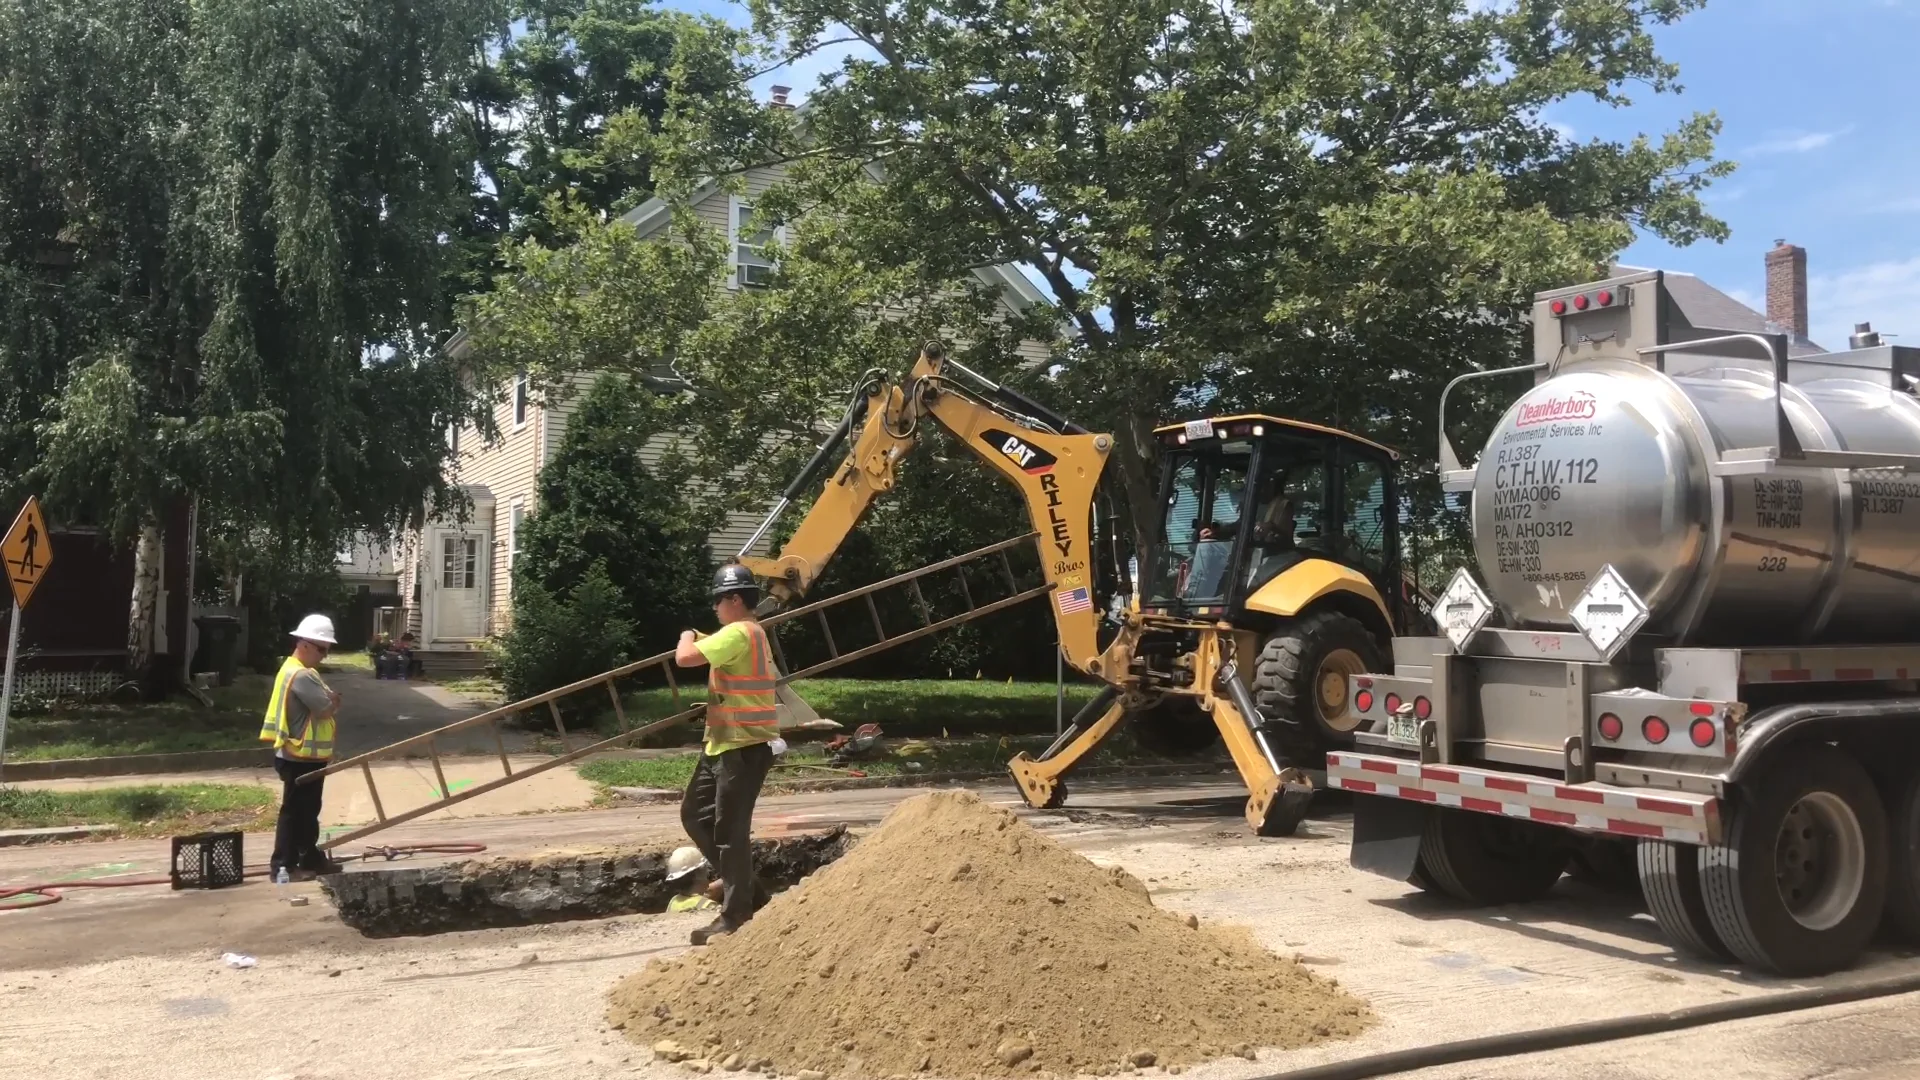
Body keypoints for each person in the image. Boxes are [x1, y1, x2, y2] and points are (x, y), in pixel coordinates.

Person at [674, 563, 781, 945]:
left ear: (736, 599)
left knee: (729, 834)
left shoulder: (740, 633)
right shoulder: (742, 633)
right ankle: (752, 894)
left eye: (719, 600)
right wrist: (702, 636)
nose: (715, 607)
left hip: (744, 747)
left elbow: (685, 658)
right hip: (723, 744)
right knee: (695, 814)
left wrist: (686, 635)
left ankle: (736, 916)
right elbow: (716, 643)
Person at [257, 614, 345, 880]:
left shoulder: (291, 669)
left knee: (305, 812)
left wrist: (330, 702)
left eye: (326, 650)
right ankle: (283, 865)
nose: (324, 655)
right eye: (321, 649)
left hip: (300, 755)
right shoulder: (303, 676)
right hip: (300, 756)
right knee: (295, 813)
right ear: (303, 643)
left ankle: (309, 859)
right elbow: (325, 709)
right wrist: (333, 703)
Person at [664, 846, 722, 914]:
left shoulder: (673, 901)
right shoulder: (709, 906)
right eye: (705, 869)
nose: (707, 872)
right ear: (698, 875)